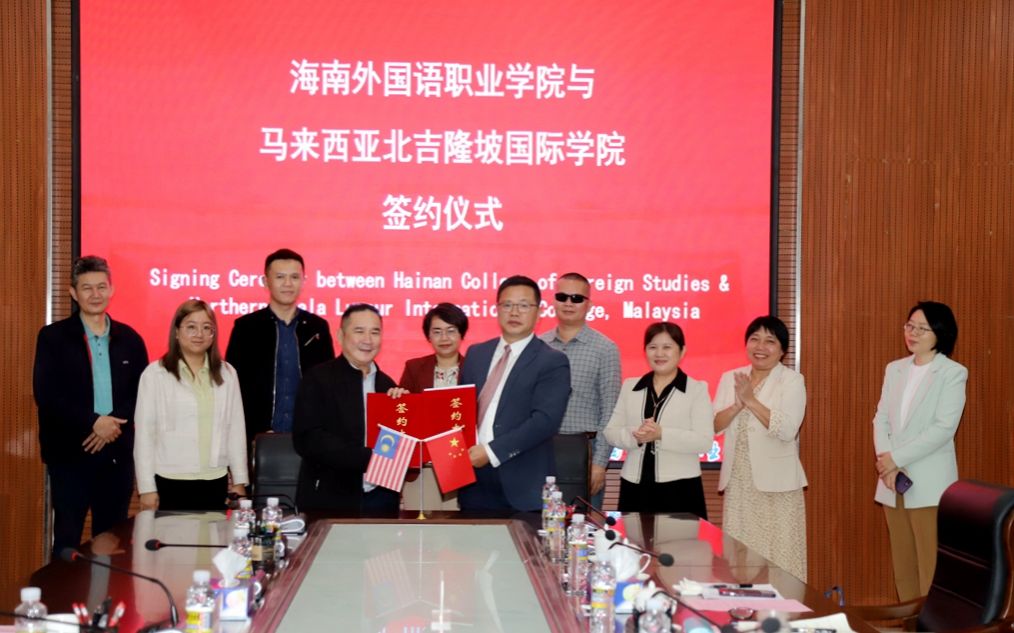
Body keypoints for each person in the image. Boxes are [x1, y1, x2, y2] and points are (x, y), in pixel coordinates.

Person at [33, 256, 148, 557]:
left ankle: (105, 592)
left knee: (111, 543)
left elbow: (142, 393)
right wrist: (93, 422)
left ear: (111, 290)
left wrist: (112, 423)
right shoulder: (53, 338)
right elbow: (47, 394)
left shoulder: (130, 339)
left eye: (101, 287)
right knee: (68, 542)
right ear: (73, 293)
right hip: (70, 455)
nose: (95, 294)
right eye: (87, 288)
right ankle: (64, 591)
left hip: (117, 456)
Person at [872, 301, 966, 600]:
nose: (912, 333)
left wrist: (895, 459)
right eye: (910, 326)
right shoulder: (895, 369)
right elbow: (881, 419)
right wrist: (887, 463)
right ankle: (910, 622)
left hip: (929, 483)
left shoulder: (952, 372)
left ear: (940, 333)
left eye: (922, 328)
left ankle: (932, 622)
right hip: (892, 480)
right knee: (903, 565)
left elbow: (943, 428)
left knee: (931, 566)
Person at [458, 275, 571, 512]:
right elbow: (460, 409)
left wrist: (491, 452)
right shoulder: (476, 354)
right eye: (507, 305)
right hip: (474, 479)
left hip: (523, 482)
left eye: (523, 305)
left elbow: (545, 421)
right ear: (497, 309)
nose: (514, 312)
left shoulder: (552, 361)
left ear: (539, 313)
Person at [713, 316, 807, 581]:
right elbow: (714, 425)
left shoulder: (792, 380)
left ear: (782, 350)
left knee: (781, 560)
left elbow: (787, 429)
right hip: (739, 483)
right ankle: (744, 603)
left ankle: (785, 605)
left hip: (778, 486)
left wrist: (750, 400)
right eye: (754, 339)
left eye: (770, 341)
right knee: (739, 558)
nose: (760, 347)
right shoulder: (730, 378)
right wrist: (737, 405)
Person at [134, 300, 248, 511]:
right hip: (170, 480)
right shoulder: (155, 374)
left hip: (215, 480)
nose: (199, 334)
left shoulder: (227, 373)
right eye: (191, 327)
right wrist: (146, 488)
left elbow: (235, 430)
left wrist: (240, 480)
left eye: (207, 328)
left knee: (213, 533)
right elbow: (144, 435)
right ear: (177, 332)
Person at [293, 304, 400, 514]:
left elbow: (397, 443)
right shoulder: (318, 378)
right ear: (341, 336)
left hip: (381, 498)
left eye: (375, 332)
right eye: (359, 331)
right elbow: (308, 439)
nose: (368, 340)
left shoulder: (388, 386)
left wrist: (406, 410)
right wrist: (367, 457)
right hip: (329, 498)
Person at [603, 322, 712, 517]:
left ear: (682, 351)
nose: (659, 353)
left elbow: (704, 441)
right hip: (634, 485)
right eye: (653, 347)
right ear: (645, 351)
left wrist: (661, 434)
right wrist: (636, 435)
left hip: (680, 487)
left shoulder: (696, 389)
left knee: (681, 538)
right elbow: (610, 432)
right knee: (633, 537)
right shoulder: (631, 387)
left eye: (667, 347)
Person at [225, 248, 334, 439]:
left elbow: (329, 383)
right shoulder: (246, 327)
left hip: (309, 438)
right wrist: (251, 432)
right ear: (265, 281)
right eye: (280, 277)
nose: (288, 284)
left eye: (294, 277)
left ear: (303, 281)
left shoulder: (317, 327)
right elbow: (232, 385)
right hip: (258, 436)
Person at [540, 273, 621, 507]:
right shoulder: (539, 345)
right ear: (553, 301)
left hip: (586, 451)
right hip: (543, 449)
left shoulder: (605, 348)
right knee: (541, 522)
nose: (568, 303)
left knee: (583, 525)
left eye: (576, 298)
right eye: (562, 297)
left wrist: (600, 463)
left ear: (589, 305)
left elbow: (610, 410)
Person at [399, 303, 469, 511]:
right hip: (423, 467)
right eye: (437, 332)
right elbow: (403, 414)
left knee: (459, 526)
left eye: (451, 331)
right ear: (428, 336)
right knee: (421, 527)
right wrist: (398, 396)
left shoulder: (475, 368)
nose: (444, 338)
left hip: (462, 464)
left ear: (461, 334)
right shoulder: (414, 368)